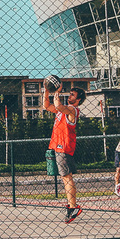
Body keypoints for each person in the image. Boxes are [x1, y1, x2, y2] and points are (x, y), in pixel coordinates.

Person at [43, 81, 86, 222]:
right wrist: (46, 91)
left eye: (72, 95)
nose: (70, 96)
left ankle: (73, 206)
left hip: (64, 146)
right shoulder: (63, 111)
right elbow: (46, 106)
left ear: (78, 99)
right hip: (57, 146)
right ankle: (71, 205)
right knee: (65, 177)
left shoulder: (72, 110)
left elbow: (58, 106)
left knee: (67, 177)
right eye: (70, 94)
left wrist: (57, 91)